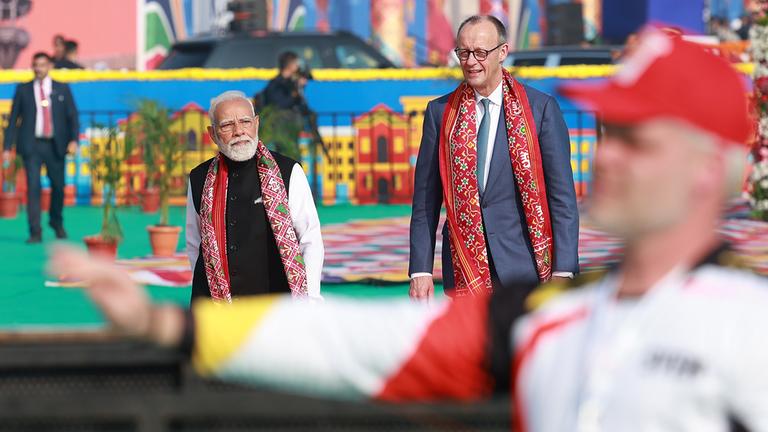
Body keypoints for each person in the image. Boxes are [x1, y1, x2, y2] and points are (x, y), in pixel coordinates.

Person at [48, 27, 768, 431]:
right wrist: (164, 324)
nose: (606, 154)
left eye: (639, 139)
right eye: (610, 131)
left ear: (712, 170)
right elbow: (365, 344)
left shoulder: (751, 329)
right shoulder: (546, 320)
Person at [409, 15, 579, 300]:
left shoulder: (540, 110)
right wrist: (420, 270)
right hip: (464, 269)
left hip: (526, 270)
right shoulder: (442, 114)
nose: (471, 62)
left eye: (480, 53)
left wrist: (564, 270)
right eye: (463, 53)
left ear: (502, 52)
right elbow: (425, 202)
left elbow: (562, 198)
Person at [184, 90, 323, 301]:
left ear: (256, 124)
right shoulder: (199, 178)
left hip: (275, 307)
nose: (239, 131)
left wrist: (309, 302)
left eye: (245, 121)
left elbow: (310, 240)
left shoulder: (288, 171)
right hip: (217, 310)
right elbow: (195, 244)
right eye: (227, 125)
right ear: (212, 134)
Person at [3, 52, 78, 243]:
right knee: (33, 187)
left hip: (55, 145)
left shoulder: (62, 89)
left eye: (42, 64)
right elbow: (13, 119)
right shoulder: (24, 89)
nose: (39, 69)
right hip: (32, 145)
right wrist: (6, 147)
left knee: (59, 187)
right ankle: (35, 231)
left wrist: (74, 139)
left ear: (50, 66)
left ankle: (56, 221)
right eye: (36, 65)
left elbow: (72, 116)